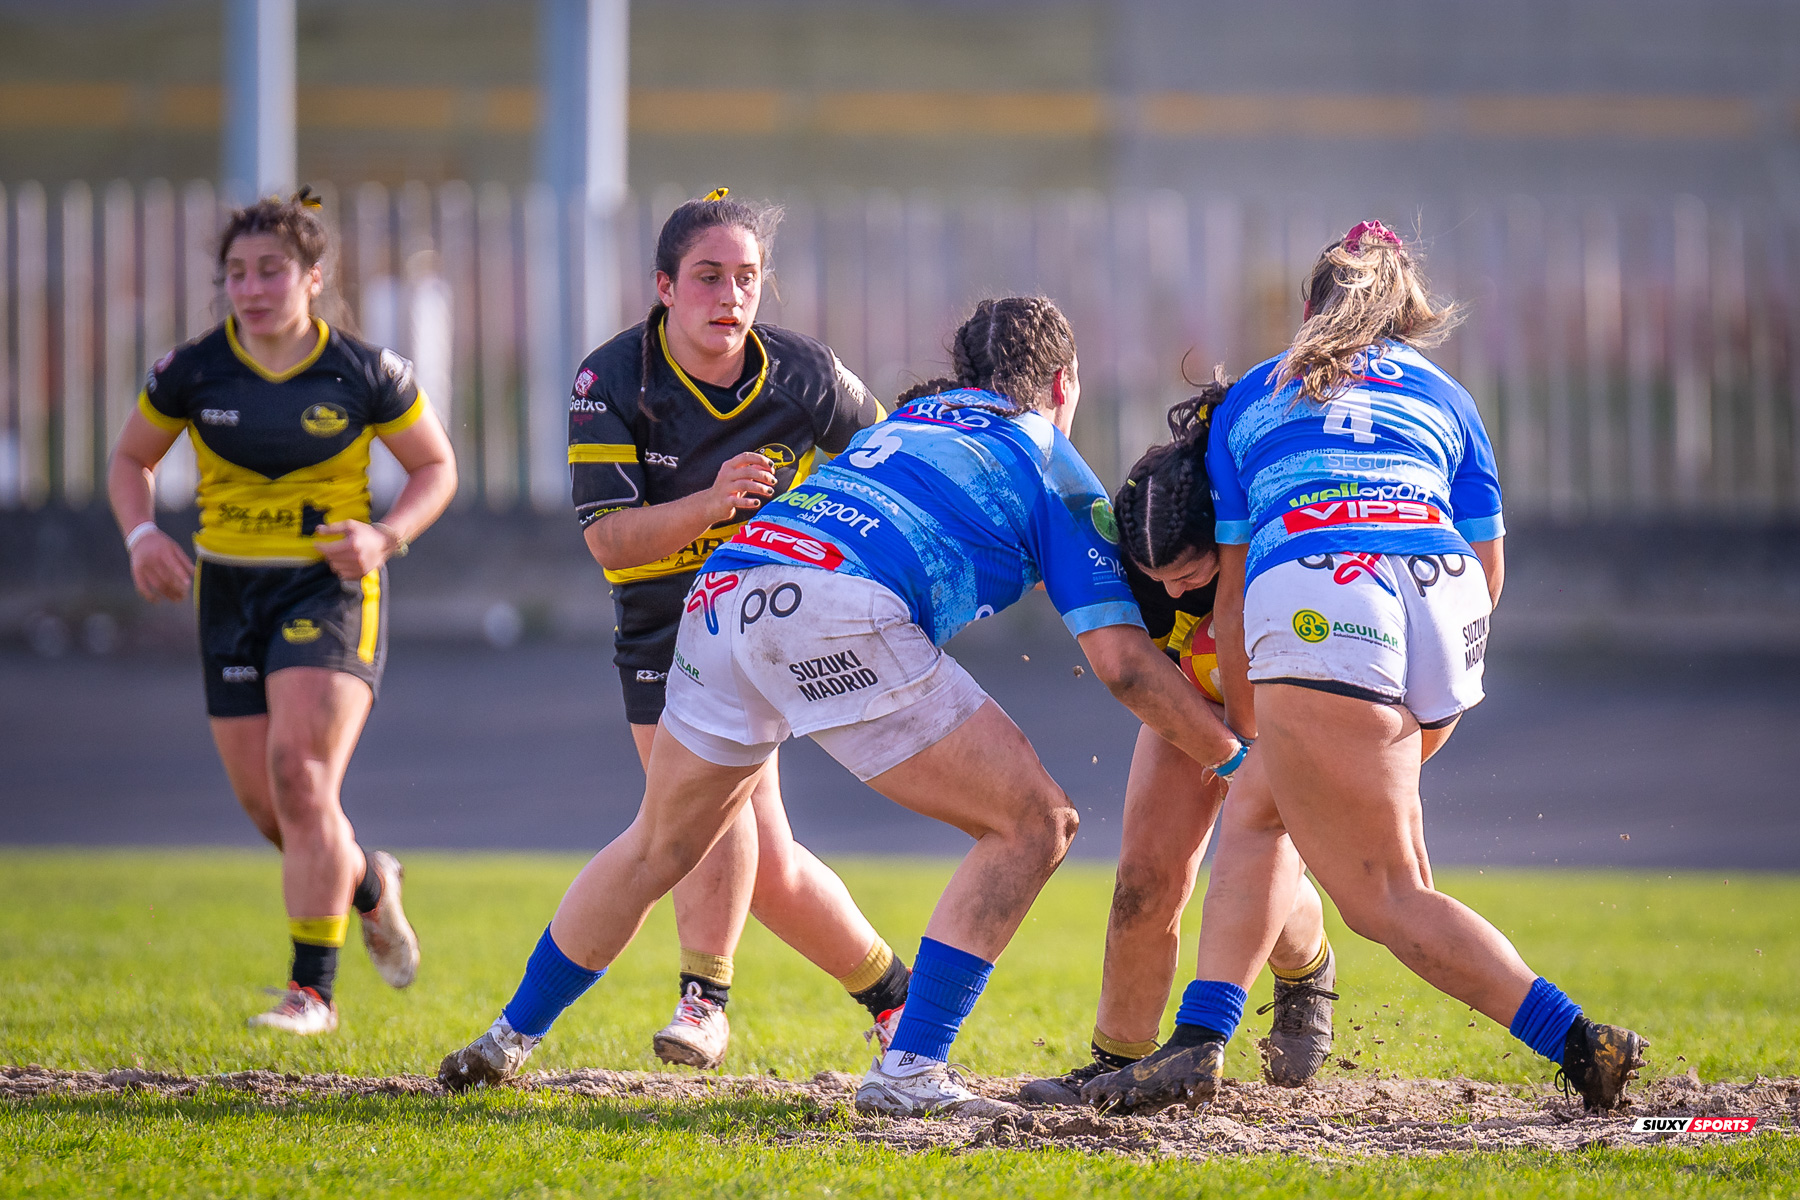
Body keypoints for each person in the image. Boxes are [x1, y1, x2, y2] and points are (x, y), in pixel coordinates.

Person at [439, 297, 1251, 1118]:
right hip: (832, 605)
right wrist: (1236, 757)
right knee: (1037, 823)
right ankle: (910, 1069)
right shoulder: (1049, 459)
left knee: (657, 844)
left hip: (727, 586)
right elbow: (1120, 666)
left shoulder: (910, 419)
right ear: (1061, 382)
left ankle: (505, 1039)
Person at [1084, 221, 1647, 1113]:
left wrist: (1254, 718)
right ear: (1406, 314)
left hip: (1325, 588)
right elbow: (1490, 571)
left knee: (1383, 896)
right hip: (1447, 600)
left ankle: (1582, 1042)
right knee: (1263, 806)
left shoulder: (1250, 400)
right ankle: (1198, 1041)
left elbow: (1231, 599)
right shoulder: (1448, 395)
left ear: (1308, 308)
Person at [567, 189, 907, 1069]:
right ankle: (894, 998)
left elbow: (894, 465)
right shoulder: (611, 381)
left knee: (707, 826)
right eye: (708, 277)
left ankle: (704, 1000)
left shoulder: (806, 376)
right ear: (665, 288)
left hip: (762, 632)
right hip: (658, 630)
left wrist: (842, 553)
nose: (729, 297)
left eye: (746, 278)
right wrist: (713, 501)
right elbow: (609, 542)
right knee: (771, 864)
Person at [106, 189, 458, 1034]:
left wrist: (385, 537)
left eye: (271, 270)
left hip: (328, 589)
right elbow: (129, 459)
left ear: (312, 276)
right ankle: (370, 884)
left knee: (302, 778)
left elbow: (435, 468)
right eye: (236, 273)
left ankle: (312, 993)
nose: (252, 288)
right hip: (228, 594)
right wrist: (142, 535)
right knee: (277, 808)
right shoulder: (191, 371)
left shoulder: (365, 370)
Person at [1022, 379, 1337, 1105]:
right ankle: (1115, 1061)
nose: (1173, 592)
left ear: (1226, 538)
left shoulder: (1269, 546)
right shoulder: (1137, 549)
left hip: (1284, 698)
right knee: (1145, 876)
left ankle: (1306, 965)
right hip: (1191, 700)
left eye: (1192, 575)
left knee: (1248, 860)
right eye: (1156, 579)